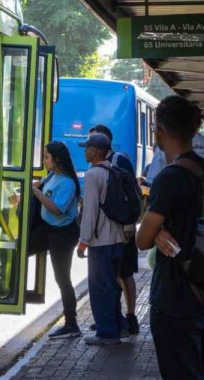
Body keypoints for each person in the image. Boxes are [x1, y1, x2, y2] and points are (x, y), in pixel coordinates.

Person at [136, 95, 204, 380]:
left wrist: (157, 227)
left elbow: (142, 239)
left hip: (175, 298)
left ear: (159, 130)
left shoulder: (169, 177)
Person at [87, 124, 139, 334]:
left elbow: (132, 193)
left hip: (121, 231)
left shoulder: (119, 161)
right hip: (112, 232)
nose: (88, 146)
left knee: (124, 274)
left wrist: (129, 224)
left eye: (91, 141)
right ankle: (112, 317)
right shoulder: (100, 167)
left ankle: (131, 316)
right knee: (113, 276)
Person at [77, 133, 126, 345]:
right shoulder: (113, 171)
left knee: (100, 288)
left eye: (86, 148)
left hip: (100, 242)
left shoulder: (93, 175)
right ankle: (117, 326)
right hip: (117, 239)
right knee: (112, 286)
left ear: (95, 151)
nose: (84, 151)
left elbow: (90, 212)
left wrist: (83, 241)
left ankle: (106, 333)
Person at [31, 142, 82, 339]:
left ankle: (71, 323)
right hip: (47, 229)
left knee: (62, 278)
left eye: (46, 157)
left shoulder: (67, 183)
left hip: (63, 234)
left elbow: (57, 209)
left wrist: (37, 193)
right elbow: (40, 183)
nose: (44, 161)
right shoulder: (53, 175)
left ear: (57, 159)